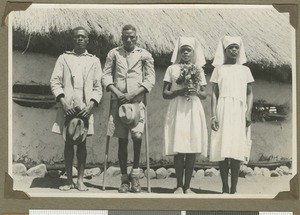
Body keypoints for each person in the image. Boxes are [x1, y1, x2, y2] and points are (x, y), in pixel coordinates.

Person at [102, 24, 155, 193]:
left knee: (137, 136)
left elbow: (150, 79)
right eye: (126, 37)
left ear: (136, 38)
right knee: (122, 141)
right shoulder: (114, 53)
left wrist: (133, 94)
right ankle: (124, 178)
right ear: (122, 37)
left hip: (137, 102)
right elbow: (106, 75)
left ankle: (136, 174)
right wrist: (117, 92)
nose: (129, 40)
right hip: (119, 103)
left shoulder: (144, 54)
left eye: (132, 37)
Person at [50, 27, 103, 191]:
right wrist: (63, 102)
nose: (80, 39)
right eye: (77, 37)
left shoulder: (94, 61)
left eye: (83, 37)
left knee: (82, 143)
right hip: (68, 107)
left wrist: (91, 105)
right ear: (73, 39)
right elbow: (55, 82)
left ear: (87, 40)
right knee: (68, 142)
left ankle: (80, 180)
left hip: (85, 108)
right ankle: (68, 180)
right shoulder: (64, 58)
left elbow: (98, 87)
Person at [163, 37, 208, 194]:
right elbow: (165, 93)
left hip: (193, 109)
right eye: (183, 50)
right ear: (179, 52)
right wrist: (179, 92)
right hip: (177, 108)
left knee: (191, 148)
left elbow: (204, 94)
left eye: (188, 50)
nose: (186, 53)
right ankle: (179, 185)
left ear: (193, 52)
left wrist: (195, 92)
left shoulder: (198, 70)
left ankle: (188, 186)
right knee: (179, 148)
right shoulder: (172, 69)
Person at [209, 36, 254, 194]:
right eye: (231, 48)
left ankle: (234, 188)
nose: (234, 50)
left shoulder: (245, 70)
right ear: (225, 50)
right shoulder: (219, 70)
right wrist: (213, 115)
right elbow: (214, 94)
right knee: (223, 147)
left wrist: (248, 113)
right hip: (223, 109)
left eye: (236, 47)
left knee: (236, 149)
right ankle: (224, 186)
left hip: (239, 111)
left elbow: (249, 94)